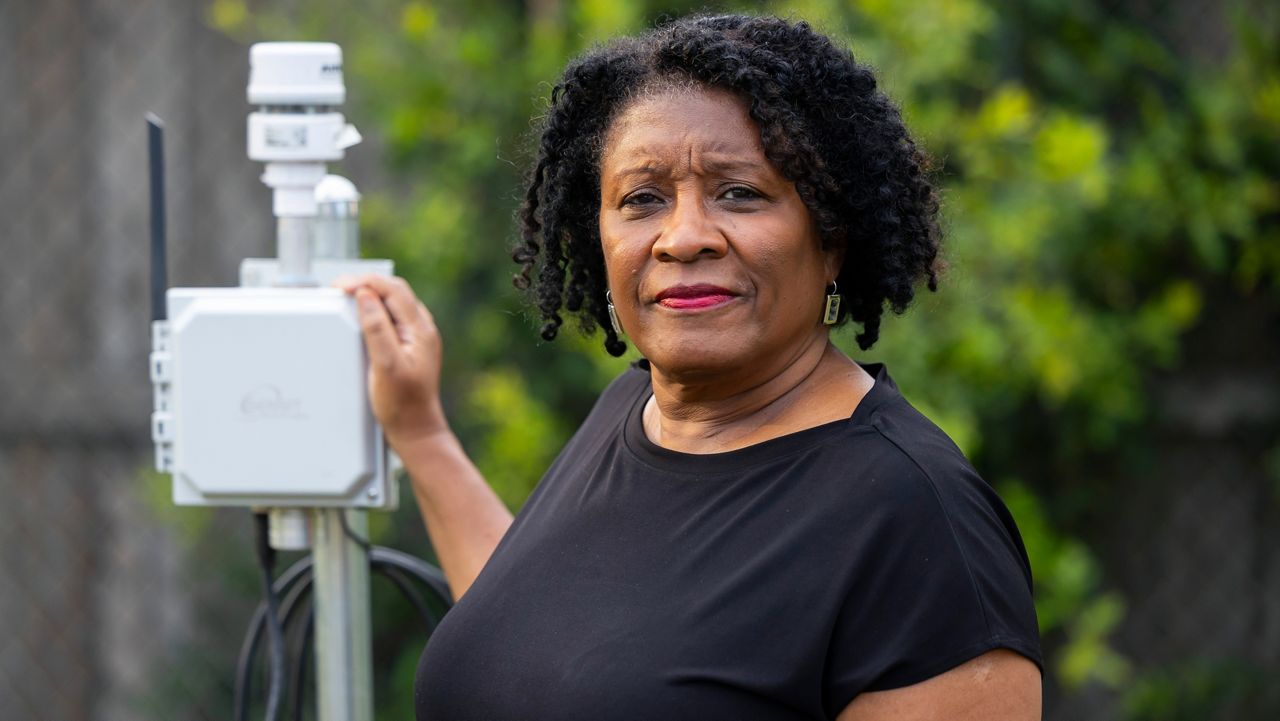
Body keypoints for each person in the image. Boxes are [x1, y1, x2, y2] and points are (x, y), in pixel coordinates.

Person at [337, 14, 1043, 721]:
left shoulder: (917, 520)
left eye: (739, 191)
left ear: (831, 236)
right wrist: (420, 432)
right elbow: (547, 646)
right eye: (642, 199)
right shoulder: (633, 412)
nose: (684, 237)